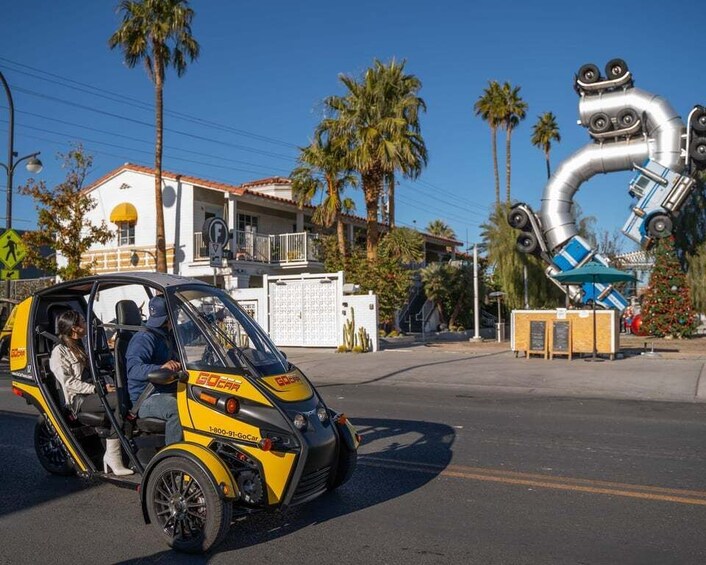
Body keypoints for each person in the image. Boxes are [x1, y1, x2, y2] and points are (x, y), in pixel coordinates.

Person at [49, 310, 133, 476]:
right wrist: (97, 389)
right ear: (74, 327)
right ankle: (113, 456)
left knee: (128, 395)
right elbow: (69, 383)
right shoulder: (59, 352)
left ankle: (127, 449)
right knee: (120, 400)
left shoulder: (84, 343)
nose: (86, 324)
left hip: (96, 391)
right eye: (82, 321)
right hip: (80, 399)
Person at [126, 296, 183, 445]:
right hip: (147, 397)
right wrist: (161, 367)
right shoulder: (144, 338)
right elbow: (133, 369)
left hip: (167, 389)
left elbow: (188, 331)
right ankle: (173, 459)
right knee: (178, 409)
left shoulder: (167, 334)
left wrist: (212, 317)